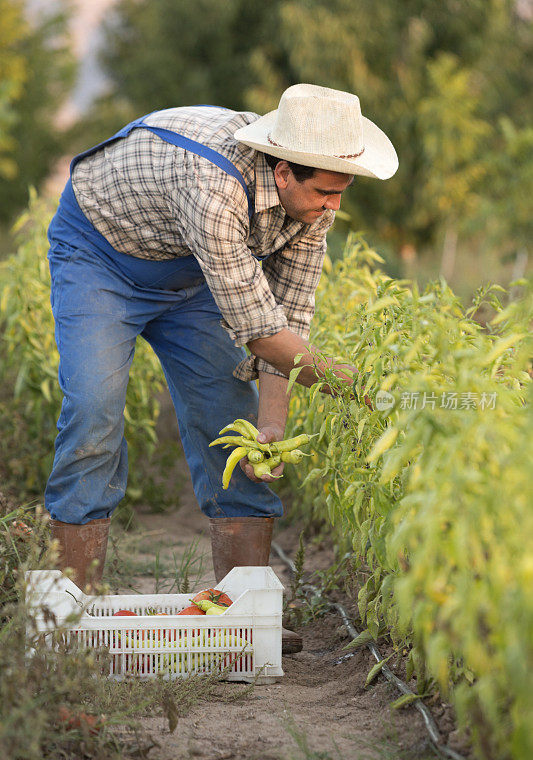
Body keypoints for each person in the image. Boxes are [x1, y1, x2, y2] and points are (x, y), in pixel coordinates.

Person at [45, 83, 398, 654]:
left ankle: (243, 616)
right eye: (328, 192)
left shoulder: (312, 210)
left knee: (233, 427)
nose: (336, 205)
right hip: (101, 257)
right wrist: (365, 391)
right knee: (93, 409)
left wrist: (273, 428)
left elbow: (287, 322)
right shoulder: (214, 185)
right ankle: (66, 616)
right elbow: (261, 335)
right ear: (284, 171)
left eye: (343, 191)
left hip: (195, 276)